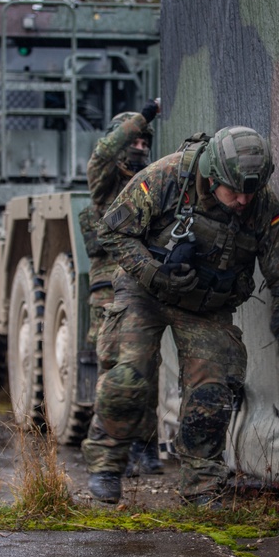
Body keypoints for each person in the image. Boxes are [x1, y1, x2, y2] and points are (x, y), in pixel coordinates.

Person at [84, 125, 279, 507]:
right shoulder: (167, 177)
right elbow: (112, 232)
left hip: (206, 305)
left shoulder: (260, 206)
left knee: (213, 389)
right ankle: (107, 463)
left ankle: (200, 484)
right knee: (128, 374)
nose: (241, 200)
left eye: (248, 192)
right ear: (213, 176)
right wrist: (153, 272)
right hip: (146, 291)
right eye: (233, 191)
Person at [78, 99, 164, 478]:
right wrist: (143, 116)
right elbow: (104, 151)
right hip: (108, 289)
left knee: (147, 367)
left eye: (146, 143)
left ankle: (145, 448)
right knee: (113, 369)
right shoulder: (104, 180)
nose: (139, 147)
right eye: (135, 140)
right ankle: (114, 448)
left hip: (140, 285)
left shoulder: (152, 184)